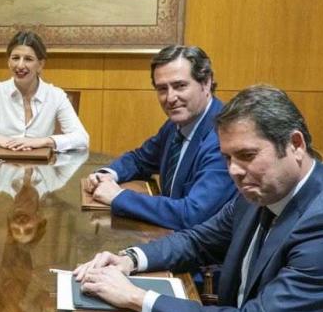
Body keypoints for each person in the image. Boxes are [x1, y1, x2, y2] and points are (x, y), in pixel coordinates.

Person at [74, 85, 323, 312]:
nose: (234, 171)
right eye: (228, 157)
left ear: (296, 145)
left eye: (247, 155)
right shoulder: (262, 188)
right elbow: (199, 240)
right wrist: (130, 258)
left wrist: (135, 298)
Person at [87, 45, 236, 230]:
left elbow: (193, 214)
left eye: (180, 86)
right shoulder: (177, 124)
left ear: (206, 83)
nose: (170, 98)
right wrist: (107, 175)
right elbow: (140, 159)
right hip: (169, 237)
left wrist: (118, 197)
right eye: (162, 89)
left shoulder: (225, 137)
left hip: (204, 252)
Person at [0, 30, 89, 153]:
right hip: (4, 170)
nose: (20, 65)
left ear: (41, 64)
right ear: (8, 62)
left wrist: (41, 142)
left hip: (43, 170)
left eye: (28, 59)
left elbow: (82, 139)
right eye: (15, 58)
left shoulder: (55, 95)